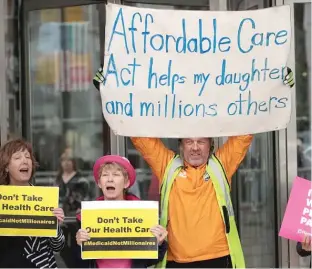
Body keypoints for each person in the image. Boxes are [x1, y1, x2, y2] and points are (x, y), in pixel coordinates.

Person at [93, 67, 295, 268]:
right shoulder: (167, 165)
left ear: (211, 144)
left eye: (201, 142)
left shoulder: (221, 164)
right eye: (189, 142)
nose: (195, 148)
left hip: (217, 257)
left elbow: (248, 128)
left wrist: (275, 87)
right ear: (180, 145)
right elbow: (138, 134)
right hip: (175, 260)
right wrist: (110, 91)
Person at [75, 154, 168, 268]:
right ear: (99, 183)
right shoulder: (88, 217)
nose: (110, 179)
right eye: (105, 175)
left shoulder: (141, 214)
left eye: (116, 175)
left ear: (126, 183)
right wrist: (80, 245)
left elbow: (149, 261)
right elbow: (79, 264)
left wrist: (158, 244)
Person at [0, 138, 65, 268]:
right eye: (17, 157)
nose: (25, 161)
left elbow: (57, 246)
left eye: (27, 157)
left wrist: (55, 226)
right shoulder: (1, 199)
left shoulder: (44, 199)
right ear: (6, 166)